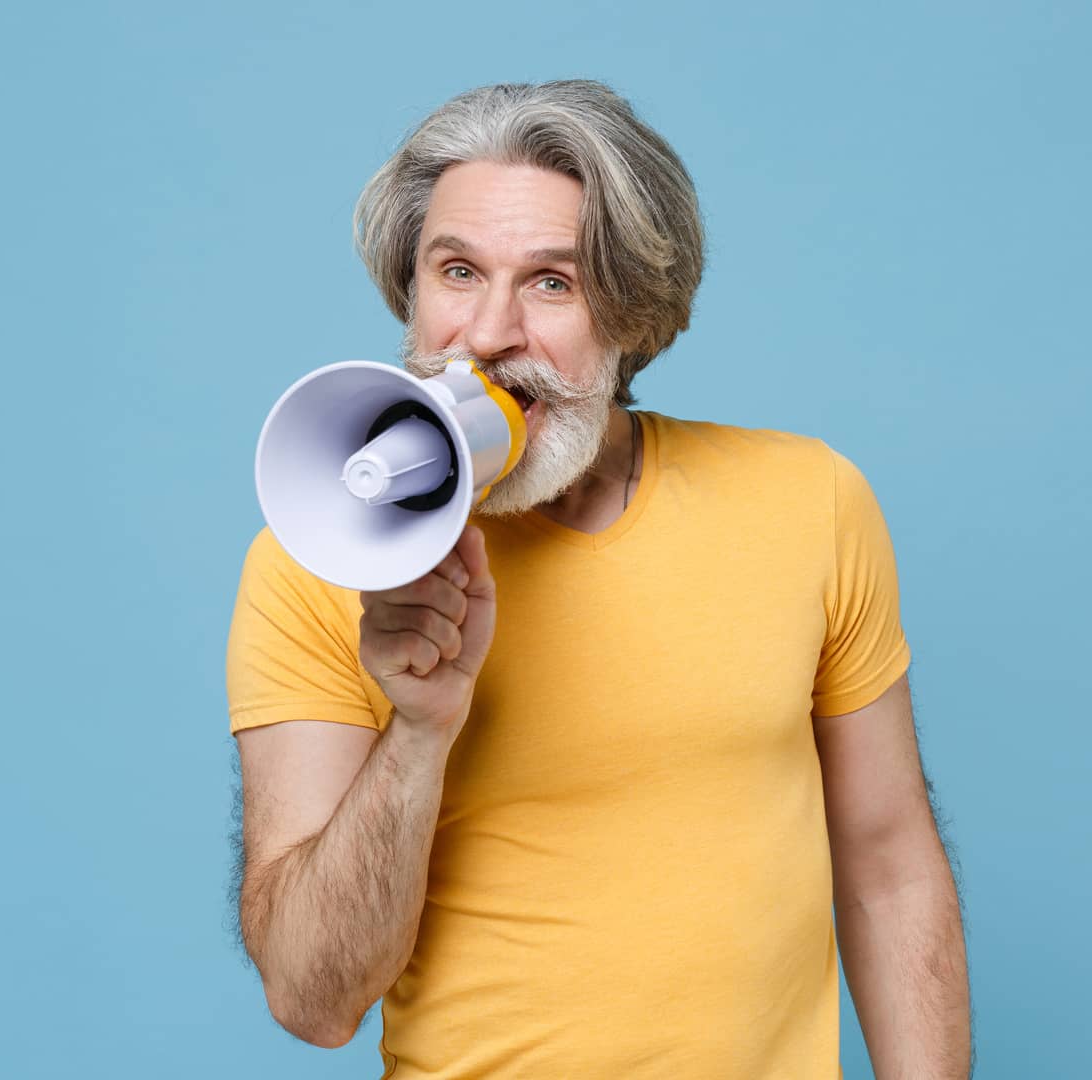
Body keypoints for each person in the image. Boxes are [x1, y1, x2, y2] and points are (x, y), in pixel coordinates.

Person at [225, 80, 972, 1078]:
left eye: (552, 284)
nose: (488, 336)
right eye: (456, 271)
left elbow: (889, 869)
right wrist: (419, 729)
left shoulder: (809, 503)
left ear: (634, 312)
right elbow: (312, 1003)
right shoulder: (313, 561)